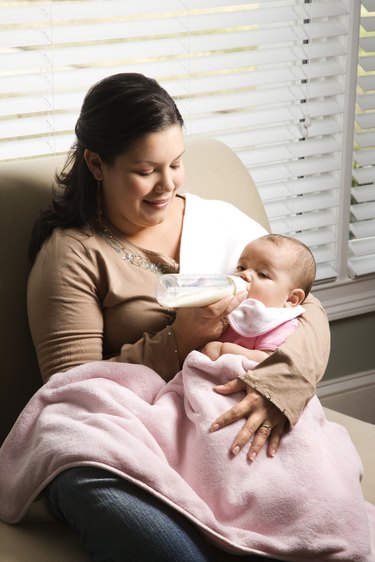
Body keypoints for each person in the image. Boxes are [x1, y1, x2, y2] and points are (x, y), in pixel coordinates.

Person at [26, 73, 330, 562]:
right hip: (112, 436)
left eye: (176, 163)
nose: (167, 184)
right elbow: (70, 389)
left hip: (207, 416)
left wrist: (282, 387)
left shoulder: (220, 223)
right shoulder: (73, 255)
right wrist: (181, 338)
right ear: (96, 164)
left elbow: (305, 309)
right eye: (146, 170)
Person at [201, 233, 315, 366]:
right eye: (241, 267)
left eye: (262, 274)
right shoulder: (228, 303)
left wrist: (223, 350)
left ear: (291, 299)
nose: (244, 274)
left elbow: (269, 362)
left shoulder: (279, 323)